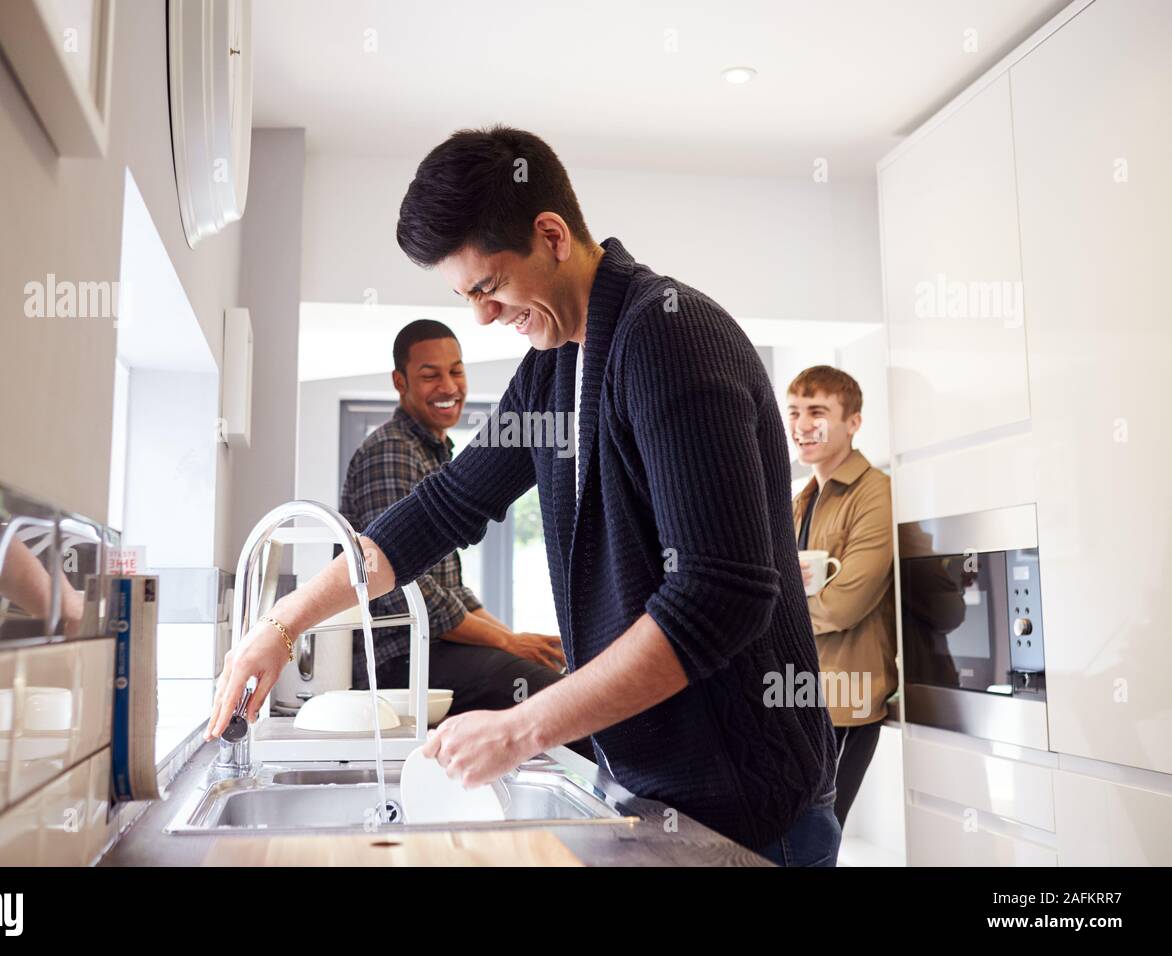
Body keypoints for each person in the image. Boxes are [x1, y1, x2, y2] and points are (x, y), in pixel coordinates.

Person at [208, 126, 838, 865]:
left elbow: (717, 599)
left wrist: (521, 728)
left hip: (745, 808)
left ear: (551, 235)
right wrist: (280, 626)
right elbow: (440, 510)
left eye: (488, 286)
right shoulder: (555, 366)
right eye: (464, 294)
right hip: (647, 789)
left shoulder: (670, 338)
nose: (480, 316)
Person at [341, 319, 588, 748]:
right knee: (558, 699)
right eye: (429, 374)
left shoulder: (431, 451)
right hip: (401, 662)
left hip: (431, 652)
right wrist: (509, 642)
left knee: (554, 683)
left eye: (456, 371)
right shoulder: (391, 450)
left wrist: (513, 640)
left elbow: (450, 590)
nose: (448, 385)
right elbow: (405, 585)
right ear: (400, 382)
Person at [787, 366, 897, 828]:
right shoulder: (802, 498)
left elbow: (845, 604)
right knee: (790, 839)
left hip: (846, 702)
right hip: (797, 698)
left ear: (853, 422)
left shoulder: (877, 492)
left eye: (818, 411)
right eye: (794, 412)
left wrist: (779, 613)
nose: (802, 425)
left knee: (817, 836)